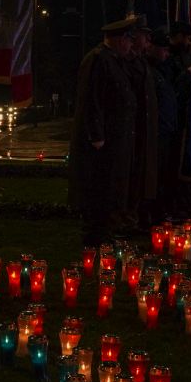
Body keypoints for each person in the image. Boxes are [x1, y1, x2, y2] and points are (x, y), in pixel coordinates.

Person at [69, 14, 138, 244]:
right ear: (119, 40)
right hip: (103, 142)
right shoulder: (98, 59)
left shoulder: (114, 60)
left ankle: (106, 231)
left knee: (112, 188)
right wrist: (96, 135)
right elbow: (92, 99)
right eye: (129, 40)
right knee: (99, 188)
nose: (131, 45)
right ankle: (95, 236)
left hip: (116, 139)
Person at [126, 21, 159, 230]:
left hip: (143, 128)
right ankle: (127, 218)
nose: (148, 42)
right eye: (144, 37)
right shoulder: (127, 62)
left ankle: (135, 216)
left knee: (140, 176)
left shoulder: (142, 62)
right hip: (133, 128)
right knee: (131, 176)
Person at [145, 28, 179, 223]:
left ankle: (160, 211)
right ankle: (152, 213)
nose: (166, 54)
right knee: (155, 177)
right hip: (157, 132)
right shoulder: (150, 70)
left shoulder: (161, 70)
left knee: (164, 175)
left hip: (166, 129)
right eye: (163, 49)